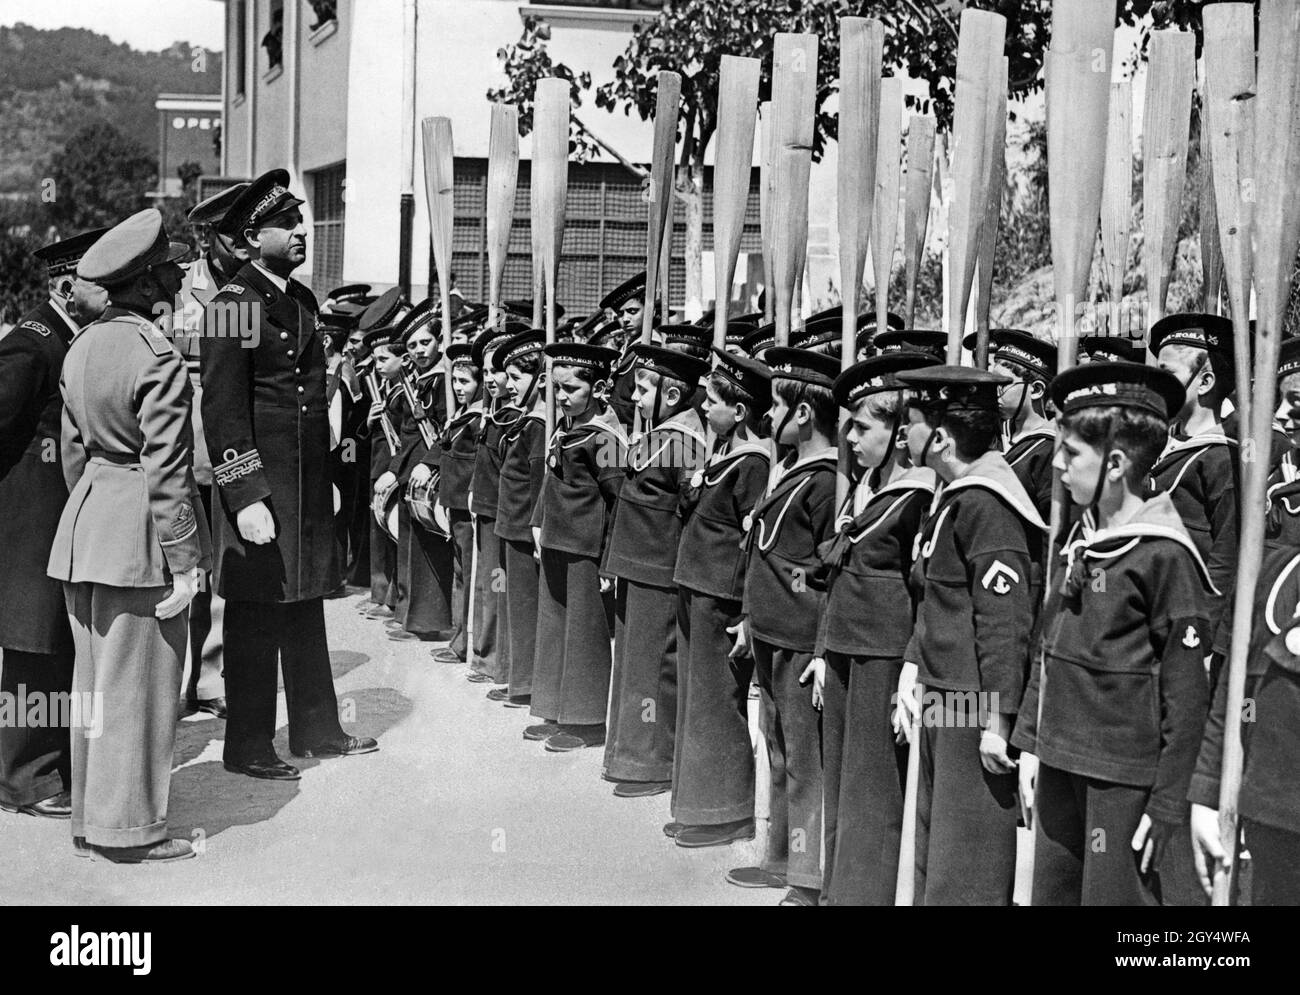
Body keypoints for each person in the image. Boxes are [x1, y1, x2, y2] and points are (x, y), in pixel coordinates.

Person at [200, 169, 377, 781]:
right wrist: (245, 494)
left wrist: (325, 473)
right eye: (289, 225)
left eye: (301, 222)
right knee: (255, 615)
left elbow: (311, 397)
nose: (302, 233)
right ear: (254, 236)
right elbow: (221, 412)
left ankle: (316, 729)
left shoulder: (298, 299)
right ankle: (248, 745)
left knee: (304, 606)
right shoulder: (233, 307)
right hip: (261, 489)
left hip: (303, 486)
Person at [1014, 362, 1211, 905]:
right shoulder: (1079, 539)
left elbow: (1188, 698)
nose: (1056, 464)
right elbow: (1047, 648)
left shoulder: (1165, 556)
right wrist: (1031, 744)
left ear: (1117, 464)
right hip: (1058, 762)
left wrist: (1170, 802)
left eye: (1071, 452)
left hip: (1121, 778)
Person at [48, 209, 207, 861]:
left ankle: (93, 820)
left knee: (94, 687)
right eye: (166, 268)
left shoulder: (82, 345)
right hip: (140, 537)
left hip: (86, 530)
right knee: (138, 689)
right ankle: (132, 830)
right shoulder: (154, 353)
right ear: (143, 283)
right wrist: (187, 561)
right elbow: (166, 468)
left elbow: (71, 453)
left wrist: (96, 512)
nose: (174, 275)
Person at [892, 364, 1046, 905]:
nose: (899, 433)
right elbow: (938, 594)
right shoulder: (954, 496)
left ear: (939, 436)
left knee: (969, 856)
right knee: (937, 848)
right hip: (942, 694)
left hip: (974, 705)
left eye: (908, 422)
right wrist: (914, 667)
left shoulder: (987, 505)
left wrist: (1000, 723)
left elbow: (1004, 626)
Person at [805, 351, 940, 905]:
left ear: (900, 428)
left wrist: (912, 663)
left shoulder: (920, 493)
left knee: (873, 787)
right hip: (841, 646)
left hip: (882, 653)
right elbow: (836, 574)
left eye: (862, 428)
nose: (851, 439)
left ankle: (864, 896)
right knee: (838, 778)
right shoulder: (859, 487)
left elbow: (927, 589)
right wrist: (819, 650)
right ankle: (837, 890)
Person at [726, 347, 840, 907]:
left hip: (800, 636)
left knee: (803, 761)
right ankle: (779, 858)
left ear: (804, 415)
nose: (766, 416)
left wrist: (820, 645)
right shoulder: (787, 467)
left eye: (775, 406)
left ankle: (809, 875)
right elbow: (762, 553)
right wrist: (750, 618)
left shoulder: (827, 482)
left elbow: (827, 575)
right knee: (776, 749)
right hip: (770, 630)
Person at [0, 225, 106, 821]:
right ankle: (22, 779)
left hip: (54, 511)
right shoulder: (34, 341)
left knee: (52, 642)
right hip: (31, 515)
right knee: (31, 644)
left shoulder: (65, 338)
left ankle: (49, 766)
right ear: (68, 286)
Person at [668, 348, 772, 848]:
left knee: (717, 702)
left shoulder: (753, 462)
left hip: (722, 594)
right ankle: (696, 803)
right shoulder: (721, 449)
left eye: (713, 401)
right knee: (696, 699)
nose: (703, 407)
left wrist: (749, 614)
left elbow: (754, 544)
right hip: (695, 586)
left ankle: (727, 812)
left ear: (741, 410)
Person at [602, 344, 709, 790]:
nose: (636, 398)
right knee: (631, 667)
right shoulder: (659, 433)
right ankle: (627, 755)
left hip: (660, 571)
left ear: (669, 395)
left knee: (653, 671)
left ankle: (652, 762)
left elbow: (693, 510)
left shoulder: (685, 441)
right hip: (636, 567)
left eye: (644, 390)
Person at [173, 181, 251, 720]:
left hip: (229, 449)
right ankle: (177, 681)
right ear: (208, 239)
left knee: (226, 573)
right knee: (184, 570)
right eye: (232, 235)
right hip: (181, 448)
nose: (244, 243)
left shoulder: (250, 291)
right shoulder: (177, 289)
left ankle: (211, 679)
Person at [527, 343, 626, 752]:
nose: (562, 397)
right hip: (556, 541)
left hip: (586, 548)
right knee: (555, 630)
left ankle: (586, 721)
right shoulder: (565, 427)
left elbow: (618, 501)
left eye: (571, 389)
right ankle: (555, 708)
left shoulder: (605, 438)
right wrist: (537, 522)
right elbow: (551, 481)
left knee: (585, 635)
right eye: (556, 389)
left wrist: (609, 561)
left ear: (598, 388)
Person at [1148, 313, 1238, 626]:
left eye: (1166, 373)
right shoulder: (1158, 442)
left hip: (1188, 623)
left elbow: (1225, 561)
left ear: (1205, 381)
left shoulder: (1222, 458)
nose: (1155, 383)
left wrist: (1205, 638)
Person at [380, 299, 453, 643]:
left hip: (430, 475)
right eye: (413, 346)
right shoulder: (417, 381)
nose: (421, 350)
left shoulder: (443, 381)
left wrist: (430, 462)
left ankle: (428, 620)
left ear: (439, 341)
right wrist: (396, 471)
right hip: (413, 473)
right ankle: (409, 613)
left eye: (426, 342)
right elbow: (409, 434)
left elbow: (449, 430)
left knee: (428, 551)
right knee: (410, 547)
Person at [494, 328, 548, 713]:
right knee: (516, 607)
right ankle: (518, 677)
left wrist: (534, 526)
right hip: (512, 526)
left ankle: (527, 684)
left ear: (539, 380)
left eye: (517, 378)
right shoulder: (527, 419)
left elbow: (537, 481)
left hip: (524, 528)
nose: (508, 386)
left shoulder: (540, 424)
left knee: (527, 609)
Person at [471, 322, 527, 692]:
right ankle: (485, 654)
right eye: (487, 371)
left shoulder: (516, 415)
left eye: (498, 372)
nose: (491, 379)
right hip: (486, 505)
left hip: (503, 511)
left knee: (500, 589)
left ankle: (498, 662)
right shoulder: (492, 410)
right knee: (487, 586)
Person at [965, 328, 1058, 523]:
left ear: (1036, 390)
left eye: (1003, 385)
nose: (995, 392)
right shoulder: (992, 433)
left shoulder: (1050, 448)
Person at [432, 342, 484, 665]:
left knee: (471, 573)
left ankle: (466, 642)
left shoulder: (478, 418)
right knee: (460, 573)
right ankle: (457, 638)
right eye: (455, 381)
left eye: (464, 382)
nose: (457, 387)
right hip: (454, 505)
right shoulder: (461, 415)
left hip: (467, 507)